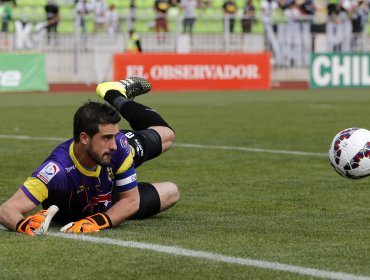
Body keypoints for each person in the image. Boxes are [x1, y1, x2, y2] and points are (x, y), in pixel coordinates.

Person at [0, 77, 179, 235]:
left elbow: (131, 201)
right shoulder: (57, 170)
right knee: (170, 191)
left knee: (167, 136)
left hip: (105, 198)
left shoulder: (120, 147)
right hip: (102, 199)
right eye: (107, 138)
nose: (114, 144)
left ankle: (114, 94)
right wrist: (22, 224)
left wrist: (98, 222)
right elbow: (6, 210)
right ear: (84, 138)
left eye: (114, 136)